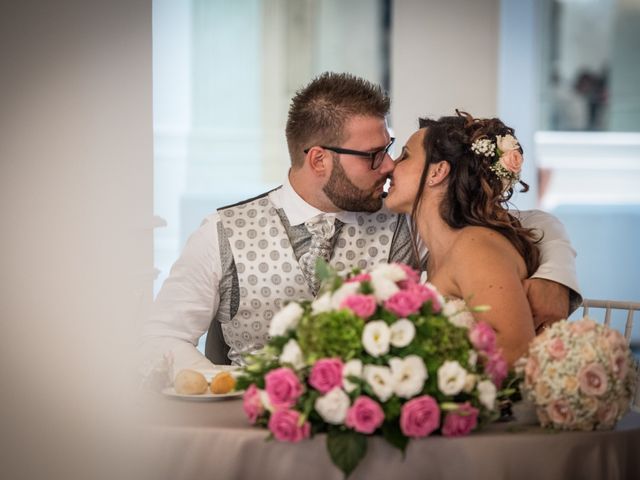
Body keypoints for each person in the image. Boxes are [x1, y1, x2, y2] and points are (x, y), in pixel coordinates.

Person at [140, 73, 580, 375]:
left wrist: (554, 275)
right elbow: (162, 335)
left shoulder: (410, 224)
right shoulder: (221, 233)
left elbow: (517, 225)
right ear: (318, 159)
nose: (388, 165)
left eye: (391, 149)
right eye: (373, 155)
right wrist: (211, 379)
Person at [384, 111, 577, 364]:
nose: (391, 166)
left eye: (405, 155)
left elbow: (517, 350)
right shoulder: (439, 252)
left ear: (437, 172)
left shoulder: (474, 247)